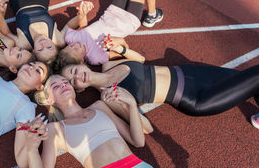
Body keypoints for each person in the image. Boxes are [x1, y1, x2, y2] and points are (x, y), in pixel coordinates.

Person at [15, 75, 228, 168]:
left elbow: (137, 140)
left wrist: (131, 106)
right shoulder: (55, 130)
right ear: (49, 99)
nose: (62, 85)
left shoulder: (100, 107)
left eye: (64, 82)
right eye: (55, 85)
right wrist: (32, 148)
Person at [61, 58, 259, 117]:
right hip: (195, 98)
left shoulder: (108, 64)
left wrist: (120, 49)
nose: (78, 76)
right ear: (78, 89)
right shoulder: (108, 97)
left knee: (251, 83)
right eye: (73, 80)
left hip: (192, 72)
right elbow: (144, 129)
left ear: (82, 64)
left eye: (74, 71)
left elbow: (138, 59)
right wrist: (130, 104)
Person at [55, 0, 163, 68]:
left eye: (70, 46)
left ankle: (152, 14)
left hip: (113, 11)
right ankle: (152, 15)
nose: (75, 45)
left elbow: (83, 27)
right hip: (128, 20)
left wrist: (82, 15)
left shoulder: (71, 38)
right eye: (76, 49)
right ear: (81, 61)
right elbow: (124, 49)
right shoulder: (95, 57)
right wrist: (117, 42)